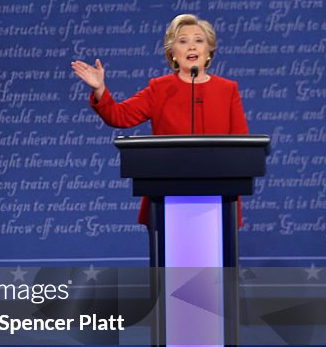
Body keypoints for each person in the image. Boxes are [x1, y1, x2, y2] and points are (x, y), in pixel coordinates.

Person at [71, 13, 249, 225]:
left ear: (209, 50)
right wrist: (100, 89)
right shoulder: (160, 88)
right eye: (183, 41)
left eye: (198, 40)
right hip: (167, 197)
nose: (191, 47)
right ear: (172, 53)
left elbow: (242, 146)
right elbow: (119, 116)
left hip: (219, 200)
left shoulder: (227, 89)